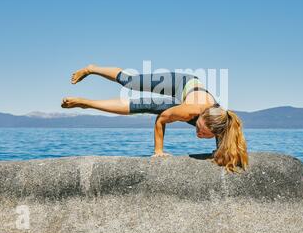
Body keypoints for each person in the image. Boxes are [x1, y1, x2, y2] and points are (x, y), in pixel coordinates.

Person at [61, 64, 248, 172]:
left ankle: (88, 103)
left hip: (194, 99)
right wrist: (159, 151)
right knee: (132, 84)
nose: (198, 133)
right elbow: (161, 120)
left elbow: (230, 146)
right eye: (199, 128)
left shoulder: (223, 123)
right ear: (198, 118)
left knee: (144, 106)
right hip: (182, 83)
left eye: (203, 134)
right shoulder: (189, 112)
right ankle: (92, 68)